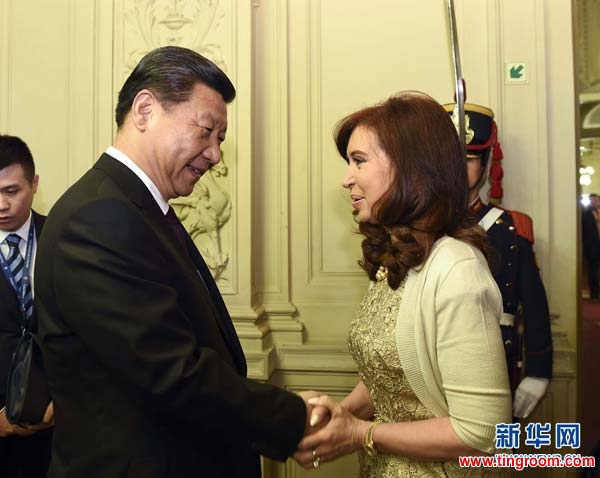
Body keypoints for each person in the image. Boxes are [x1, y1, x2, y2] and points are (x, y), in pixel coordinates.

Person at [35, 46, 317, 478]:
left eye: (220, 140)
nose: (215, 155)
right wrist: (295, 419)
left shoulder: (138, 208)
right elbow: (171, 370)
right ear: (145, 110)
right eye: (206, 132)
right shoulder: (98, 217)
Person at [294, 91, 511, 477]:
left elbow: (482, 430)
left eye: (359, 161)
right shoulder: (402, 256)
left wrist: (361, 433)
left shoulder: (456, 269)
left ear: (410, 168)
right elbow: (388, 373)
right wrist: (343, 415)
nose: (347, 179)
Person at [444, 102, 553, 419]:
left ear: (486, 162)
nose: (458, 168)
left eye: (469, 159)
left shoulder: (511, 227)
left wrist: (538, 372)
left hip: (495, 363)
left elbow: (534, 306)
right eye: (449, 160)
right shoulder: (418, 228)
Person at [0, 134, 53, 477]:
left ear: (34, 184)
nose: (0, 204)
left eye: (11, 191)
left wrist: (64, 402)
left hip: (57, 426)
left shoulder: (63, 239)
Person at [582, 193, 600, 301]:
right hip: (592, 247)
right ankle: (594, 294)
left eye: (597, 200)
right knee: (593, 270)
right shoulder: (585, 214)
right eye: (593, 200)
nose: (595, 202)